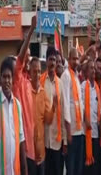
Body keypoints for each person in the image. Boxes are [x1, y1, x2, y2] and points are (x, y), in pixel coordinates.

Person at [0, 57, 27, 175]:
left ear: (13, 79)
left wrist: (25, 171)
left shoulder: (17, 105)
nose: (7, 80)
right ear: (0, 79)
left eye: (9, 77)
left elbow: (21, 140)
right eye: (4, 77)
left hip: (15, 171)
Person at [13, 16, 36, 173]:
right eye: (26, 54)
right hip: (20, 146)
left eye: (29, 54)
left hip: (32, 147)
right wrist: (31, 30)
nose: (28, 57)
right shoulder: (17, 77)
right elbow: (21, 58)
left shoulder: (28, 81)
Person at [40, 47, 66, 175]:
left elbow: (63, 112)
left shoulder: (60, 84)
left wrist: (65, 141)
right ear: (46, 61)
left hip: (57, 139)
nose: (52, 63)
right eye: (50, 59)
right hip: (44, 139)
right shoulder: (40, 82)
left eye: (54, 60)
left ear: (56, 63)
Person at [29, 57, 57, 175]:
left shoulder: (43, 93)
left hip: (41, 154)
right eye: (34, 71)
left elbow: (48, 120)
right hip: (29, 153)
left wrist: (54, 107)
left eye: (39, 71)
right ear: (30, 72)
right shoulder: (26, 92)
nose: (37, 74)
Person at [62, 47, 84, 175]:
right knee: (71, 169)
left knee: (78, 169)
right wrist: (68, 133)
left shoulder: (76, 76)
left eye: (77, 59)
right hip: (72, 133)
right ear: (69, 59)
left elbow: (78, 103)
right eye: (73, 59)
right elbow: (65, 105)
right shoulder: (66, 76)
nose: (76, 61)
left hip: (79, 131)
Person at [82, 59, 101, 175]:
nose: (93, 70)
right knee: (87, 168)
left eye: (94, 68)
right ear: (86, 72)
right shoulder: (83, 86)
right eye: (91, 68)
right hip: (86, 133)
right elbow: (81, 104)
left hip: (96, 133)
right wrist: (86, 118)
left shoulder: (97, 89)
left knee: (95, 167)